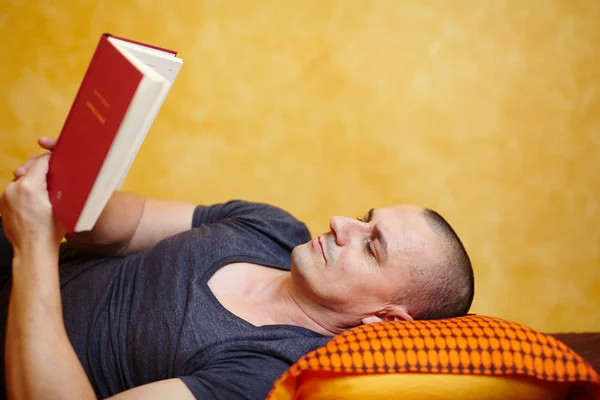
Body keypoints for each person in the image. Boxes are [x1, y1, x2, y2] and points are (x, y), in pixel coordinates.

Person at [0, 138, 474, 400]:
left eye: (372, 247)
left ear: (387, 318)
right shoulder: (270, 226)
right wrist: (74, 186)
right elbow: (126, 226)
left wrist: (34, 247)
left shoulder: (267, 374)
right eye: (365, 217)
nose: (341, 223)